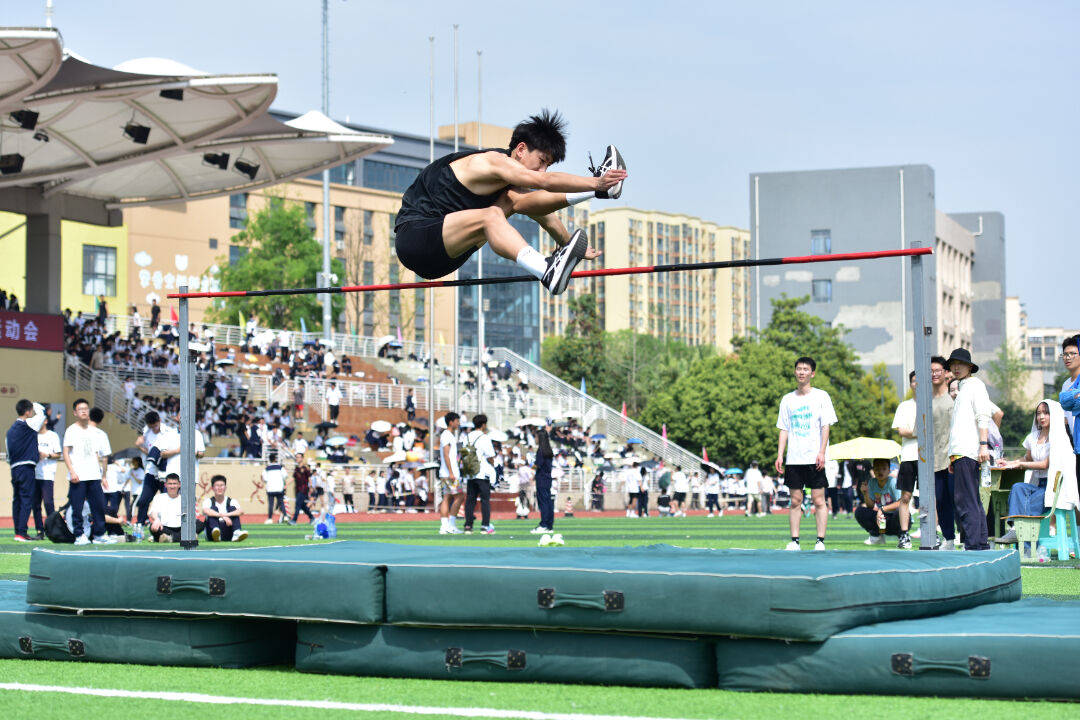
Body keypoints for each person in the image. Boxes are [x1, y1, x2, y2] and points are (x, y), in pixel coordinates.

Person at [393, 109, 626, 296]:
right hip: (414, 238)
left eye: (548, 165)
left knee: (514, 201)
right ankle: (546, 269)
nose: (543, 170)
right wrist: (597, 182)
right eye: (542, 161)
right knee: (492, 215)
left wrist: (569, 245)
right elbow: (544, 182)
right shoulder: (492, 162)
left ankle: (599, 195)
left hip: (442, 259)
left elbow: (545, 216)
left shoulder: (509, 186)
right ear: (521, 149)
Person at [775, 356, 837, 551]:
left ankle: (820, 541)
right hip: (794, 458)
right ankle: (795, 541)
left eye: (805, 369)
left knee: (819, 500)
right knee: (795, 501)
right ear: (795, 372)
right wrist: (780, 455)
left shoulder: (821, 396)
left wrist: (822, 452)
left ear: (812, 373)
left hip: (814, 457)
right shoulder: (787, 399)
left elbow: (825, 426)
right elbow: (783, 428)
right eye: (799, 369)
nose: (801, 372)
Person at [946, 348, 993, 551]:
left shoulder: (975, 385)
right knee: (972, 499)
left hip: (969, 451)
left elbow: (983, 415)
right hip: (960, 452)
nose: (956, 367)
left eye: (960, 364)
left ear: (970, 366)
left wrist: (983, 445)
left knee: (966, 500)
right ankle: (980, 543)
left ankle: (973, 544)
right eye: (953, 364)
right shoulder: (963, 387)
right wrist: (951, 457)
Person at [62, 398, 112, 545]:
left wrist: (103, 476)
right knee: (77, 507)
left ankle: (99, 534)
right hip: (78, 476)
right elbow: (66, 452)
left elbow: (102, 455)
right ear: (75, 413)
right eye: (80, 409)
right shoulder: (71, 430)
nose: (84, 411)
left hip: (94, 475)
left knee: (99, 506)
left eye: (86, 408)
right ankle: (79, 535)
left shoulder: (96, 432)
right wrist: (71, 471)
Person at [6, 399, 47, 541]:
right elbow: (42, 414)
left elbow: (8, 455)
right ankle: (22, 532)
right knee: (26, 499)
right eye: (30, 411)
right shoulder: (29, 423)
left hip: (14, 468)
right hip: (26, 467)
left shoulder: (10, 431)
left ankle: (18, 532)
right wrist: (34, 404)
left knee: (17, 500)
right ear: (28, 412)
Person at [929, 355, 959, 549]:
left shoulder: (954, 399)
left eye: (937, 370)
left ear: (946, 373)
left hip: (953, 458)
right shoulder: (927, 401)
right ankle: (949, 539)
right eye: (931, 371)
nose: (934, 374)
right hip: (934, 460)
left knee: (959, 500)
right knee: (941, 501)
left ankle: (967, 538)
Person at [891, 370, 919, 549]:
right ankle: (904, 534)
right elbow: (902, 431)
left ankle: (933, 532)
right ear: (911, 384)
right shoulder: (904, 406)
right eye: (915, 381)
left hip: (928, 458)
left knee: (930, 498)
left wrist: (914, 432)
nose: (918, 384)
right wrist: (921, 432)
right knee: (906, 497)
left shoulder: (933, 405)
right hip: (908, 456)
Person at [856, 458, 904, 544]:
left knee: (899, 512)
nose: (880, 471)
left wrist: (882, 509)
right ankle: (877, 536)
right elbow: (870, 506)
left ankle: (902, 536)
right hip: (882, 520)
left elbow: (901, 503)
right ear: (873, 471)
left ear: (889, 470)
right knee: (860, 511)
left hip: (894, 519)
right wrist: (865, 493)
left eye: (884, 468)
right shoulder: (872, 482)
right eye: (877, 469)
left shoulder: (893, 482)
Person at [463, 414, 497, 535]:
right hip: (482, 472)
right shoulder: (484, 437)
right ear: (483, 424)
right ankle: (485, 526)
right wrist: (493, 466)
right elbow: (490, 456)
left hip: (470, 472)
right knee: (485, 500)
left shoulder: (467, 437)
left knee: (470, 500)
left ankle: (468, 525)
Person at [148, 474, 204, 542]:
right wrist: (156, 519)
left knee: (200, 524)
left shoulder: (185, 498)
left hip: (182, 528)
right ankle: (186, 537)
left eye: (174, 484)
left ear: (179, 485)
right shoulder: (159, 497)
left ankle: (170, 538)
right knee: (153, 527)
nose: (172, 486)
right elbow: (153, 512)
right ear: (165, 485)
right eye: (170, 484)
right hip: (164, 528)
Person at [32, 418, 62, 538]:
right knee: (35, 504)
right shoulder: (33, 435)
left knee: (48, 502)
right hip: (33, 473)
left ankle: (52, 530)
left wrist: (47, 455)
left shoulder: (52, 436)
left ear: (45, 421)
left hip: (47, 474)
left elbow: (58, 454)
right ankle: (40, 531)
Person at [1059, 335, 1080, 501]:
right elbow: (1066, 417)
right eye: (1065, 354)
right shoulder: (1066, 385)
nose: (1067, 357)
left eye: (1072, 353)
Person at [438, 412, 464, 534]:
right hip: (449, 473)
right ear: (451, 422)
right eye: (457, 421)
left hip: (447, 472)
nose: (458, 423)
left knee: (447, 497)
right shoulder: (447, 435)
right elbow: (446, 454)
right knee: (459, 496)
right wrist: (451, 472)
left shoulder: (449, 435)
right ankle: (450, 524)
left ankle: (445, 526)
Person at [203, 475, 248, 542]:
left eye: (222, 485)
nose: (219, 488)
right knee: (213, 509)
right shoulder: (208, 501)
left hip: (227, 529)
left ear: (225, 487)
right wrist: (223, 517)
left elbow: (241, 511)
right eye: (217, 485)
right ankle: (215, 531)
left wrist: (226, 515)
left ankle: (236, 533)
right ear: (212, 488)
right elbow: (206, 511)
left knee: (233, 508)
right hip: (211, 533)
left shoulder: (231, 501)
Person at [532, 422, 555, 533]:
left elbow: (537, 465)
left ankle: (544, 524)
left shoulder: (541, 450)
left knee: (543, 502)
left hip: (541, 479)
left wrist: (530, 466)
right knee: (548, 501)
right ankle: (549, 525)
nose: (535, 439)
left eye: (536, 437)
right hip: (547, 478)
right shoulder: (548, 450)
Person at [262, 453, 290, 524]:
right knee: (281, 503)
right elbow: (285, 476)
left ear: (269, 460)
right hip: (279, 488)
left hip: (270, 488)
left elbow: (264, 479)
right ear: (275, 459)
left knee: (271, 504)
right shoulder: (280, 467)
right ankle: (285, 516)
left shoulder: (266, 469)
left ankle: (270, 518)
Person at [292, 457, 315, 523]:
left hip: (303, 489)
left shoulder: (305, 468)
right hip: (297, 489)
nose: (296, 458)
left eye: (298, 457)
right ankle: (312, 517)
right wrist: (286, 485)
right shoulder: (296, 469)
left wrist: (311, 487)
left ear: (302, 458)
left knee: (297, 504)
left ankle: (294, 520)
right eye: (296, 457)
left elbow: (309, 478)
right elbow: (293, 478)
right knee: (302, 506)